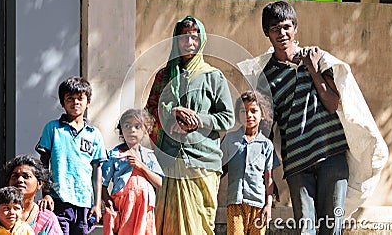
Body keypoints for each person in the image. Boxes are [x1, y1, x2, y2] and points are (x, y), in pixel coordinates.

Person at [253, 1, 388, 235]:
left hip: (332, 158)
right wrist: (267, 178)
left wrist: (313, 69)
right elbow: (265, 128)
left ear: (295, 28)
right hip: (297, 163)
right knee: (305, 228)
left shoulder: (318, 58)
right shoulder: (265, 77)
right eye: (274, 28)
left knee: (331, 227)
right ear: (267, 33)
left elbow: (333, 103)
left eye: (286, 26)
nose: (281, 33)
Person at [146, 15, 235, 234]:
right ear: (176, 41)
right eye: (184, 37)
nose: (189, 43)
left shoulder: (214, 77)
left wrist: (197, 120)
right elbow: (149, 113)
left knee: (200, 225)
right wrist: (172, 113)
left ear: (202, 40)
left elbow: (227, 118)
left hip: (202, 162)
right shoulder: (164, 76)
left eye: (194, 37)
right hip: (169, 161)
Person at [35, 76, 107, 235]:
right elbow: (43, 164)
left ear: (88, 101)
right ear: (62, 103)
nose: (76, 102)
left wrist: (97, 204)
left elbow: (97, 171)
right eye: (70, 98)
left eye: (80, 98)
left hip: (84, 202)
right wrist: (45, 194)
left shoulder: (94, 134)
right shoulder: (53, 128)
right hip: (58, 199)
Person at [221, 91, 280, 235]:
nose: (249, 115)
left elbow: (269, 178)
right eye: (244, 111)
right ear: (238, 114)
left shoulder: (266, 145)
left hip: (258, 205)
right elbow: (219, 169)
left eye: (253, 111)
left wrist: (268, 204)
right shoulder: (230, 140)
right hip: (235, 203)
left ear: (262, 114)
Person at [101, 109, 164, 235]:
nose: (132, 130)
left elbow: (159, 182)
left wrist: (141, 167)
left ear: (145, 131)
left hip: (145, 204)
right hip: (124, 205)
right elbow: (102, 183)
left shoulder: (148, 155)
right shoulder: (115, 155)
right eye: (127, 126)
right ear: (121, 131)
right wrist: (107, 201)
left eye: (137, 126)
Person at [5, 155, 62, 235]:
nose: (20, 180)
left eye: (26, 176)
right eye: (15, 176)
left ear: (39, 183)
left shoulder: (47, 219)